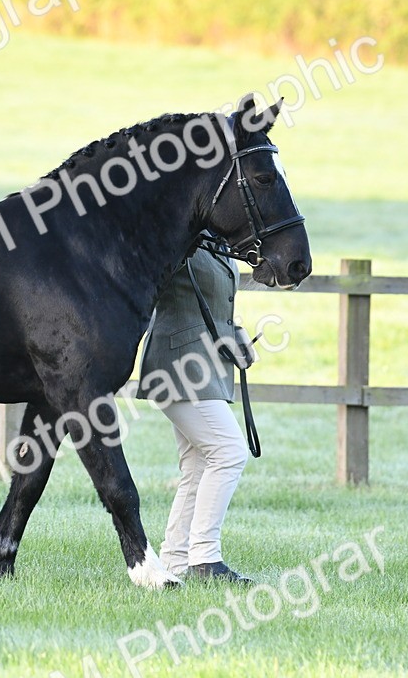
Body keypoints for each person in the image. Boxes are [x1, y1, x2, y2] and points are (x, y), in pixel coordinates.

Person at [136, 241, 252, 583]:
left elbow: (213, 301)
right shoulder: (180, 238)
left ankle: (175, 557)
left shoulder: (215, 241)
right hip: (177, 364)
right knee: (229, 452)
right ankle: (205, 558)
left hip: (207, 365)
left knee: (199, 463)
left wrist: (237, 333)